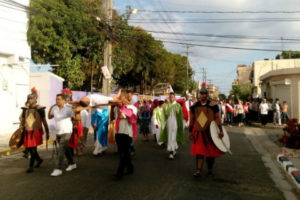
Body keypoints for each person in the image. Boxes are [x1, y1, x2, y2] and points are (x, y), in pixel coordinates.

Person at [189, 82, 224, 177]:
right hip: (199, 133)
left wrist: (220, 130)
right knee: (199, 152)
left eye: (204, 93)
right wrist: (190, 131)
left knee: (210, 153)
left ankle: (209, 168)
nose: (202, 95)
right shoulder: (195, 106)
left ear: (207, 95)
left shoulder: (213, 105)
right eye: (201, 93)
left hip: (210, 132)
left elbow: (217, 118)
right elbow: (192, 119)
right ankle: (198, 170)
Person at [21, 88, 49, 173]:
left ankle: (31, 166)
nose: (29, 100)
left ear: (35, 99)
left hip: (36, 131)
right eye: (28, 98)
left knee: (33, 149)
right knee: (30, 149)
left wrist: (47, 132)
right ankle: (39, 160)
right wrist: (20, 131)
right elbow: (22, 120)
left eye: (31, 98)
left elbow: (44, 121)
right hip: (27, 132)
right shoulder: (25, 109)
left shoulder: (40, 109)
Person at [48, 94, 76, 177]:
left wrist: (73, 125)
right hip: (58, 132)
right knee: (65, 148)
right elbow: (49, 117)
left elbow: (75, 117)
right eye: (56, 99)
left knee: (61, 150)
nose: (57, 101)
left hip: (67, 131)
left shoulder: (68, 108)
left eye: (59, 99)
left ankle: (58, 169)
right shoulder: (55, 108)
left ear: (64, 100)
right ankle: (72, 163)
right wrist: (51, 107)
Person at [114, 91, 138, 180]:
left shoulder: (132, 108)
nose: (120, 99)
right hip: (118, 132)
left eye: (122, 97)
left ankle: (119, 173)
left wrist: (122, 109)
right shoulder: (117, 108)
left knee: (123, 154)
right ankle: (130, 167)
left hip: (127, 133)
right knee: (124, 153)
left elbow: (129, 118)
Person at [159, 92, 184, 160]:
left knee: (174, 136)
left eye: (172, 97)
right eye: (170, 97)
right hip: (169, 123)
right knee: (170, 136)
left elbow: (180, 116)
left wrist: (182, 124)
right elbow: (163, 115)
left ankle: (172, 151)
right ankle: (172, 151)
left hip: (175, 123)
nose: (171, 98)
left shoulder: (178, 105)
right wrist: (163, 123)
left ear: (174, 97)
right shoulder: (166, 105)